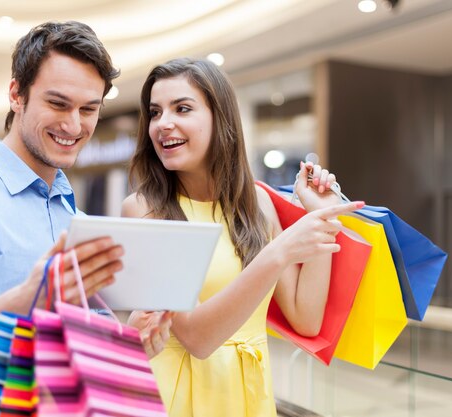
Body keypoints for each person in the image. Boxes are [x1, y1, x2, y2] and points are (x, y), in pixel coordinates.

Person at [0, 21, 171, 417]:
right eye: (58, 104)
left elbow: (72, 360)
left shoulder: (76, 216)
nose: (74, 126)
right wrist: (26, 301)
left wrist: (128, 343)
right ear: (16, 94)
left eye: (88, 109)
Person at [123, 58, 363, 417]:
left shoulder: (258, 203)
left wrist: (320, 217)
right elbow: (197, 339)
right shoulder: (143, 210)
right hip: (175, 399)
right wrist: (278, 252)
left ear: (220, 117)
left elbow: (306, 319)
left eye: (182, 108)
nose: (163, 123)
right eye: (155, 112)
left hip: (248, 396)